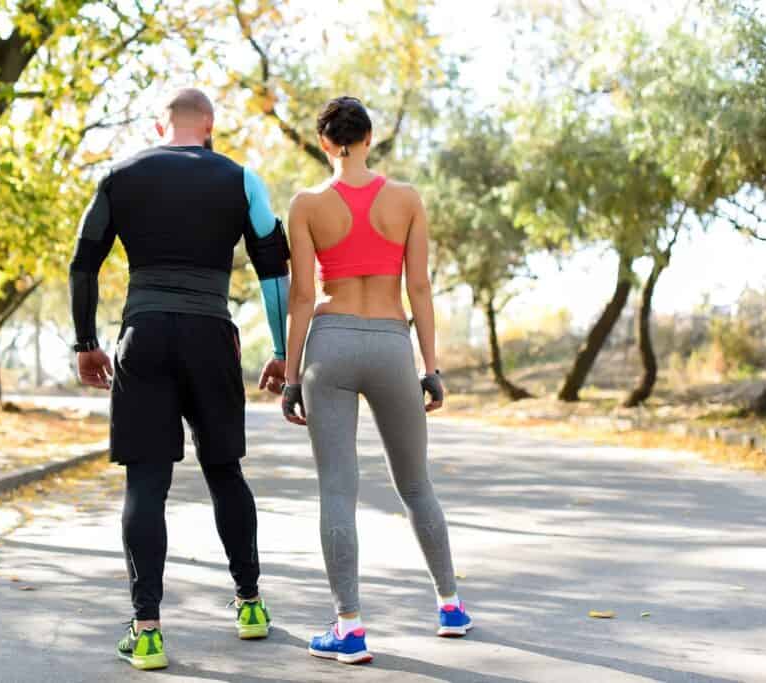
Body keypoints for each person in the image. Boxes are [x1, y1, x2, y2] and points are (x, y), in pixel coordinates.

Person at [68, 88, 290, 671]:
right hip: (211, 335)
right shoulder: (242, 179)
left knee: (146, 483)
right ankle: (250, 606)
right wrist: (284, 349)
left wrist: (86, 342)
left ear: (159, 125)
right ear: (209, 125)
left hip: (143, 335)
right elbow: (273, 270)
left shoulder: (120, 174)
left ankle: (146, 631)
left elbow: (83, 259)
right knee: (224, 471)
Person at [281, 96, 472, 665]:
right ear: (370, 137)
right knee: (416, 485)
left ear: (324, 142)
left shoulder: (307, 204)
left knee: (339, 489)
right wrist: (430, 366)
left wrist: (291, 377)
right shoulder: (406, 199)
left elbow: (300, 297)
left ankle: (350, 627)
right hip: (392, 343)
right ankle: (450, 607)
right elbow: (420, 289)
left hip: (330, 343)